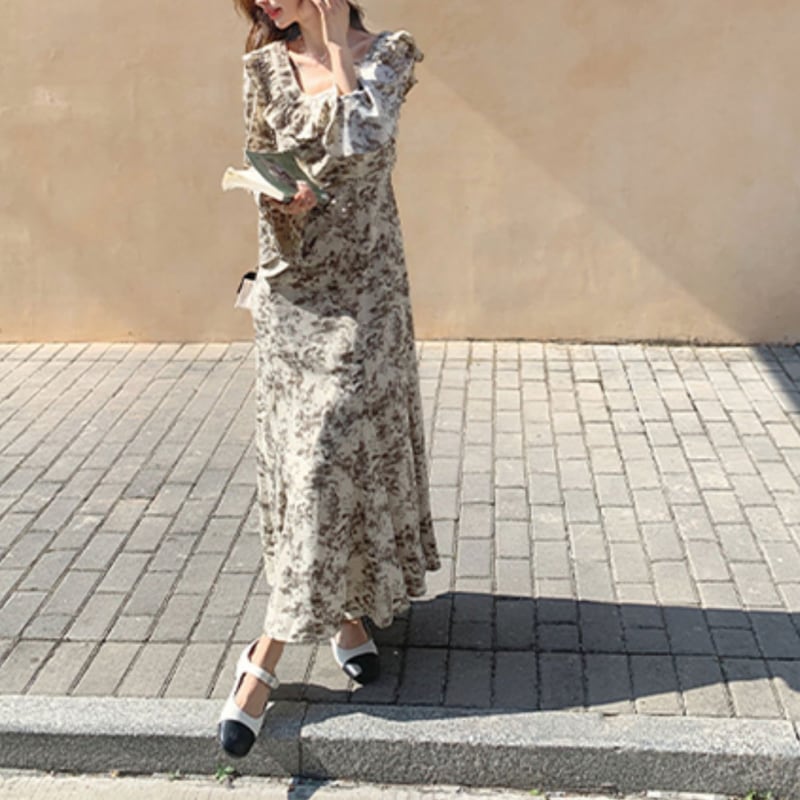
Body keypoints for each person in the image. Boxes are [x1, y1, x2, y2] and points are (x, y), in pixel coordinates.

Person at [218, 0, 440, 758]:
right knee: (305, 464)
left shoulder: (389, 54)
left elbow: (366, 144)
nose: (263, 4)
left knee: (329, 457)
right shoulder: (264, 68)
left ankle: (262, 660)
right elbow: (258, 162)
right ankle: (344, 616)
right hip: (294, 296)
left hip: (367, 296)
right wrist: (279, 197)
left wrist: (335, 44)